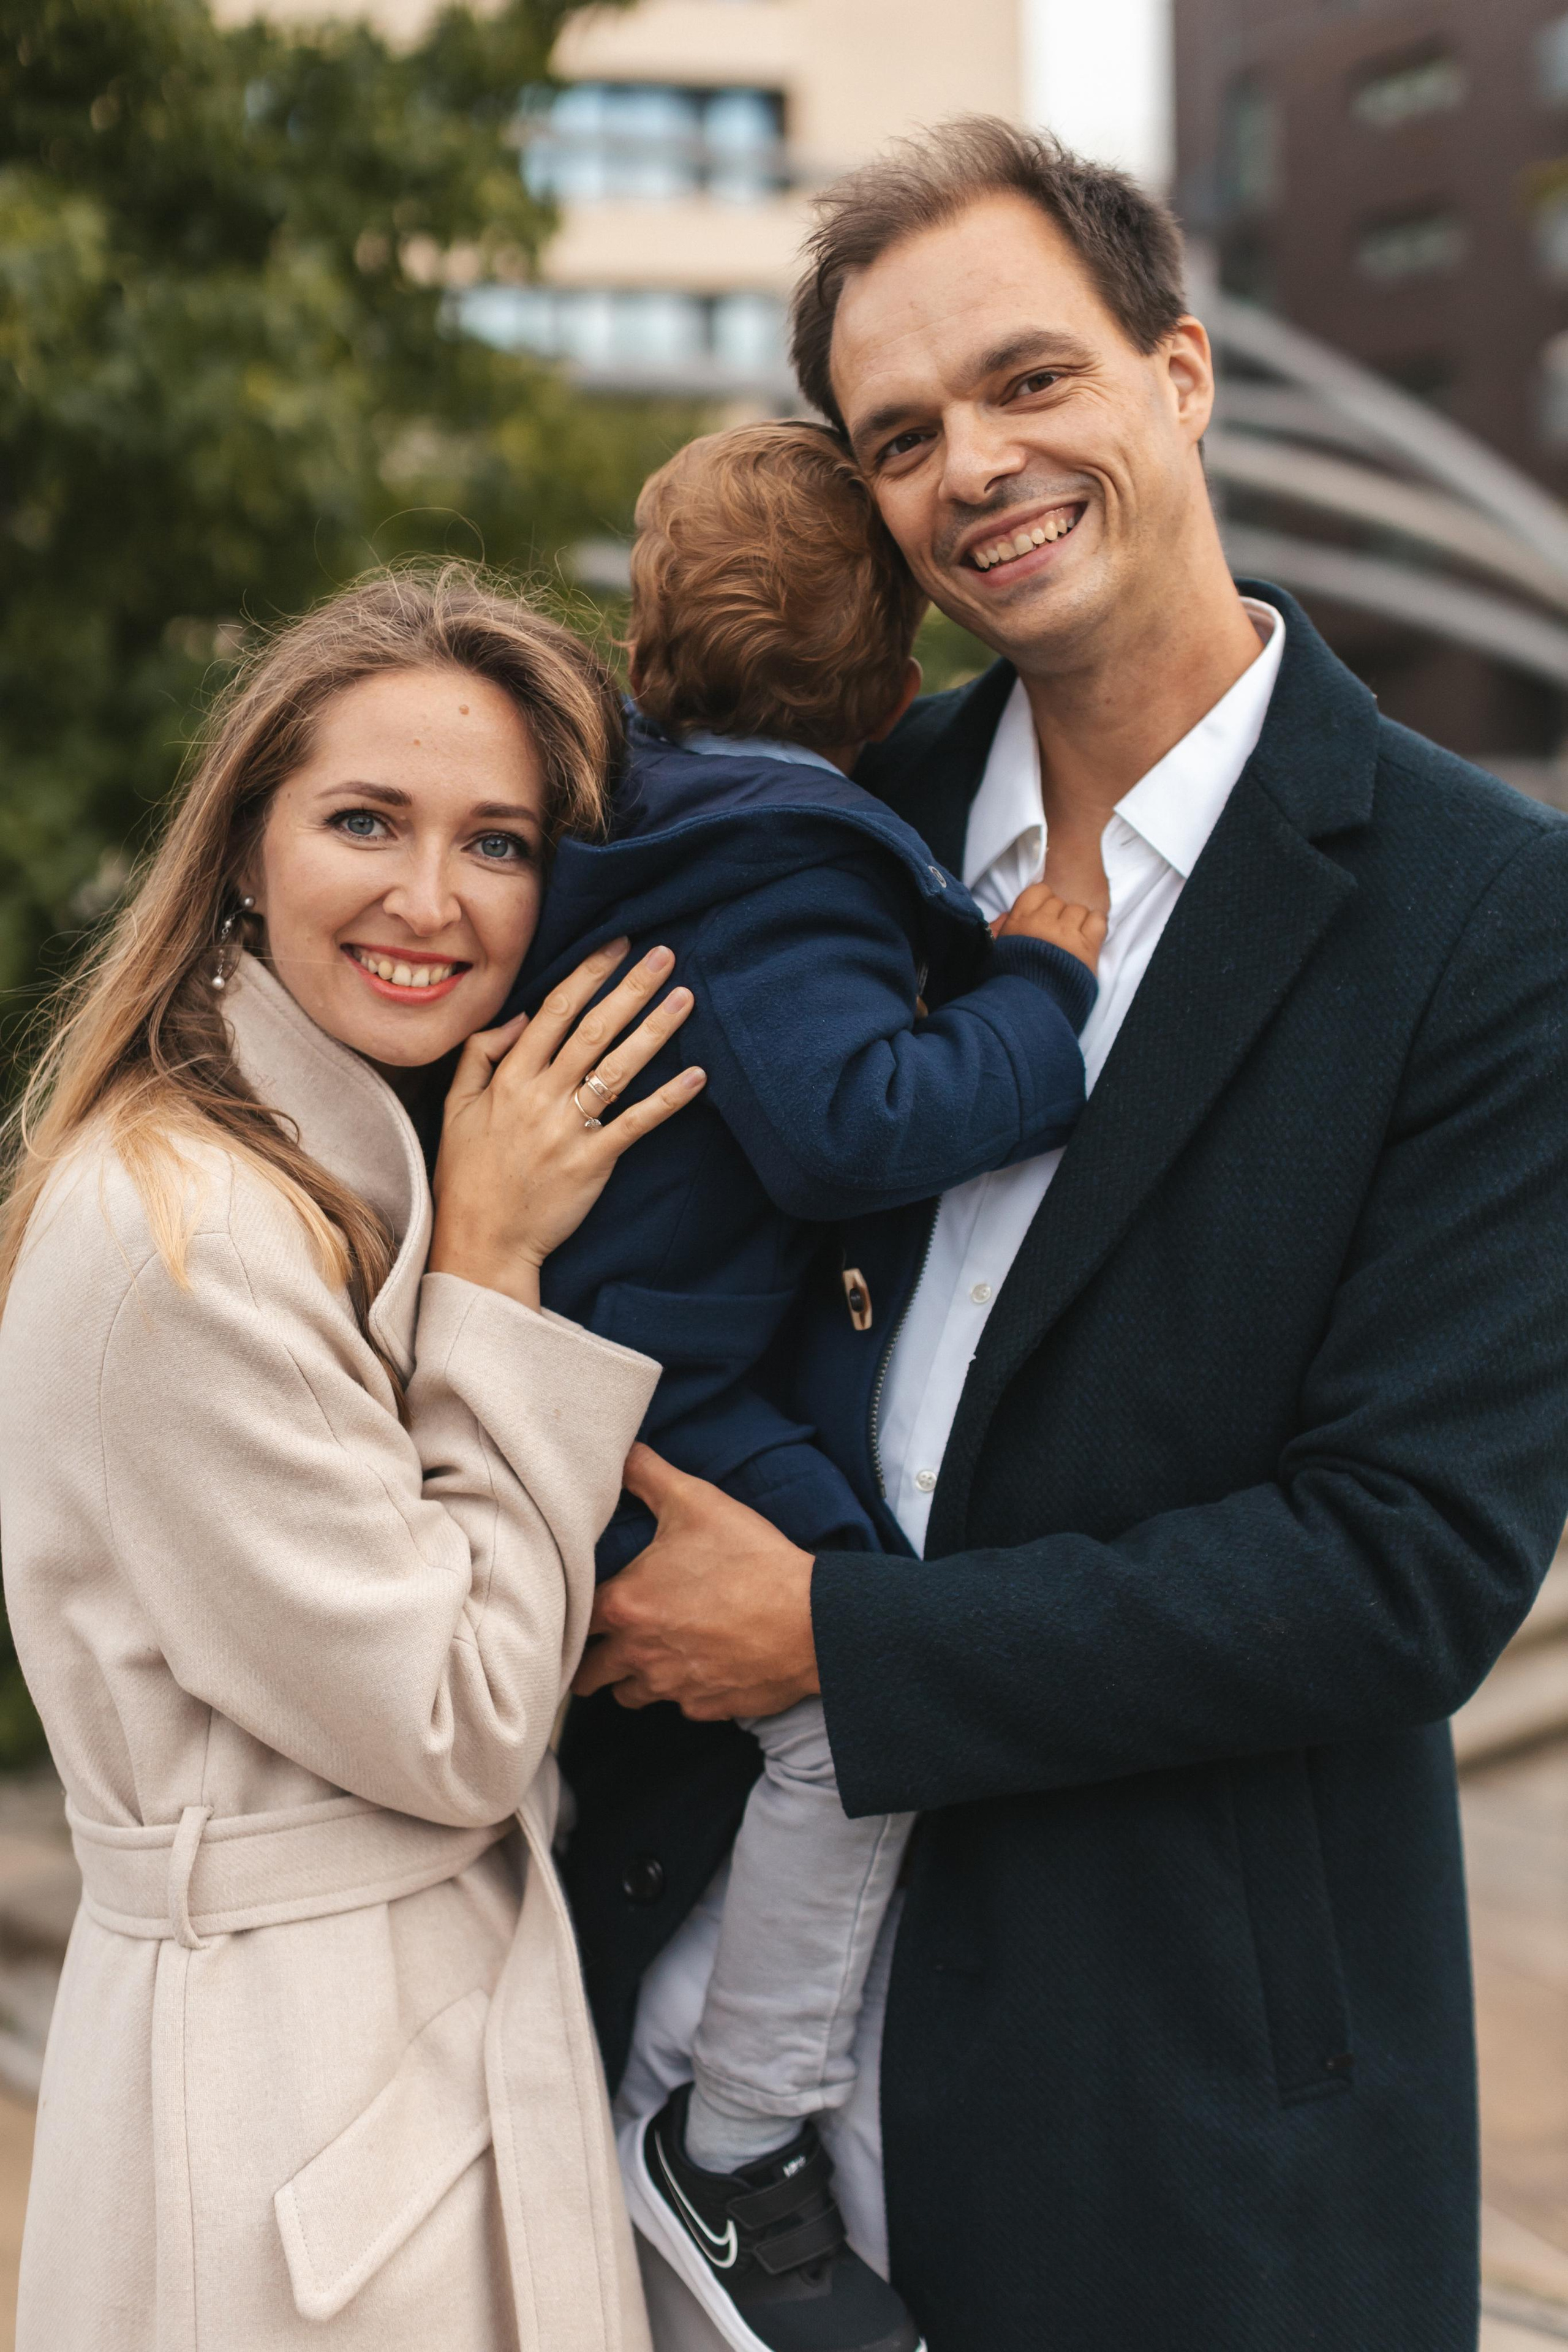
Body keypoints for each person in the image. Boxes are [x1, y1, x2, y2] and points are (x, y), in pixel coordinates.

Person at [567, 119, 1568, 2352]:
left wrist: (843, 1642)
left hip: (1182, 2125)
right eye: (903, 433)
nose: (978, 466)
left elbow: (1404, 1563)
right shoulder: (821, 813)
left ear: (1183, 376)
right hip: (676, 2037)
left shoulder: (1486, 913)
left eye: (1034, 381)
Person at [0, 566, 709, 2352]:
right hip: (290, 2096)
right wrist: (491, 1270)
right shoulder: (182, 1236)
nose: (429, 897)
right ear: (245, 850)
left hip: (403, 2041)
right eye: (365, 822)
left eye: (500, 844)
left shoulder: (329, 1166)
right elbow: (455, 1718)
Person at [511, 420, 1100, 2352]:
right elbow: (855, 1124)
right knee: (862, 1697)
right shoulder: (796, 852)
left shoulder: (632, 813)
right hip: (660, 1405)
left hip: (579, 1371)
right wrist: (1036, 994)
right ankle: (738, 2135)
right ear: (899, 680)